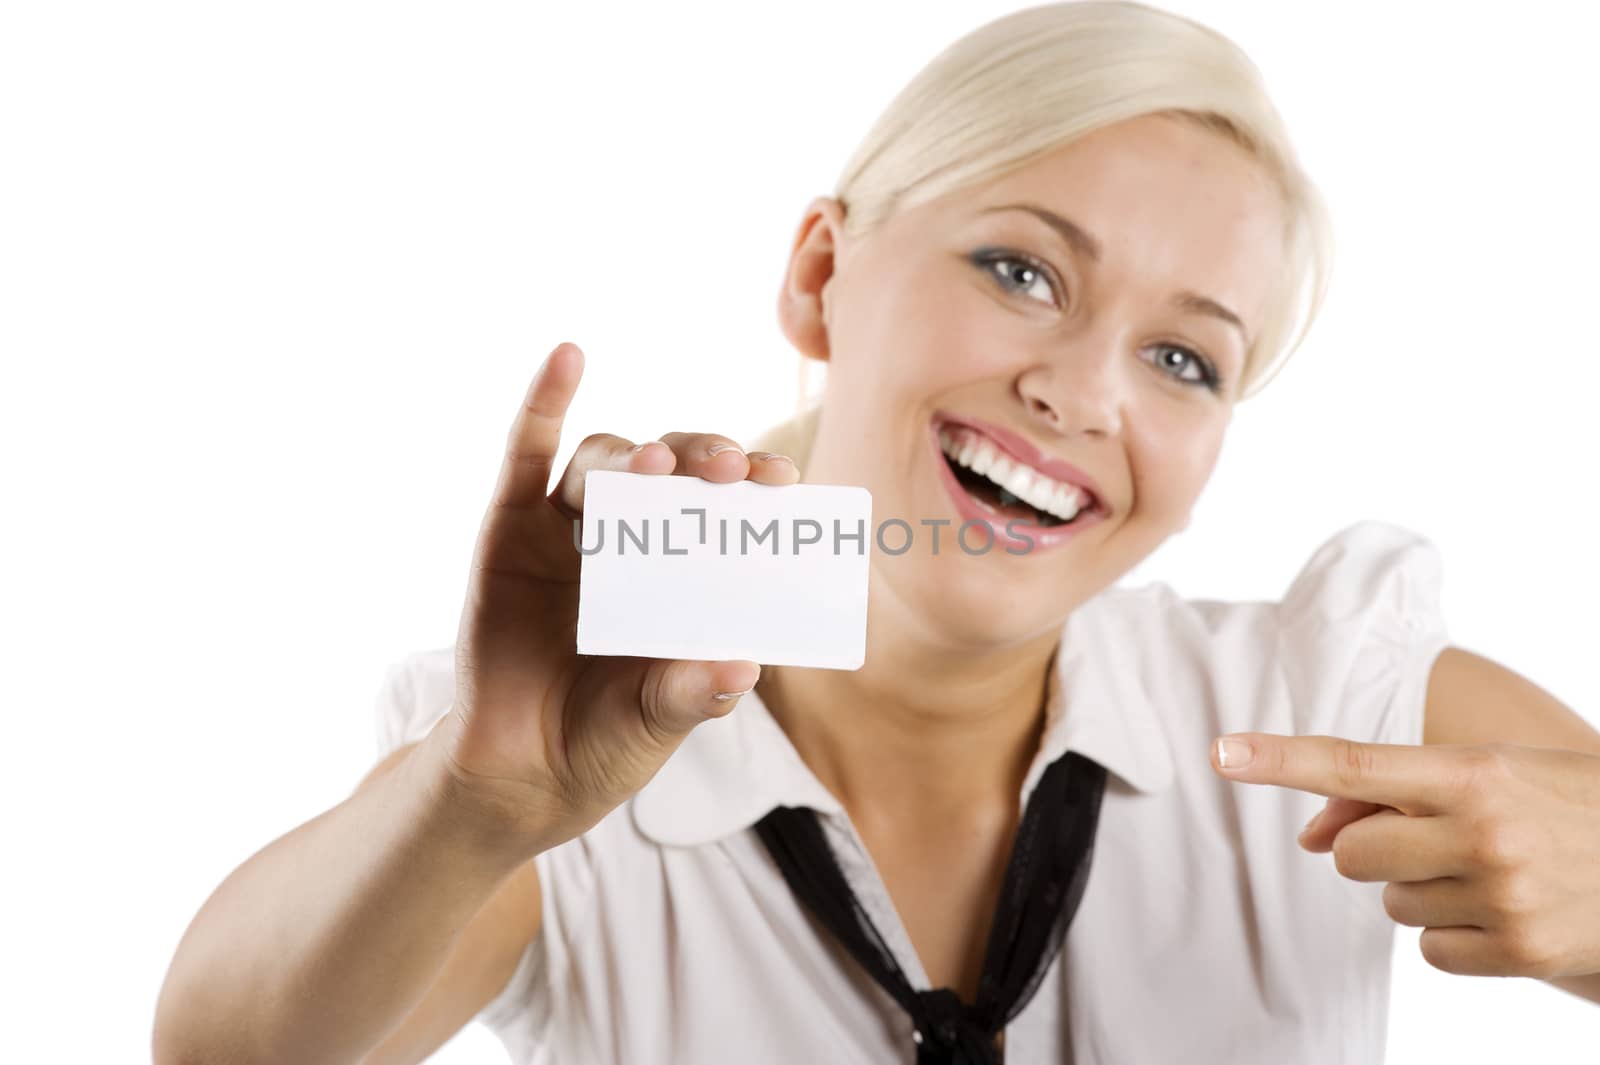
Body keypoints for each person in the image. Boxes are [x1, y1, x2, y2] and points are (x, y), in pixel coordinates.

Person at [153, 3, 1600, 1063]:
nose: (1081, 391)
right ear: (821, 272)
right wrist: (473, 804)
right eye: (1022, 268)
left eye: (1184, 360)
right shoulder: (575, 756)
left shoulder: (1324, 707)